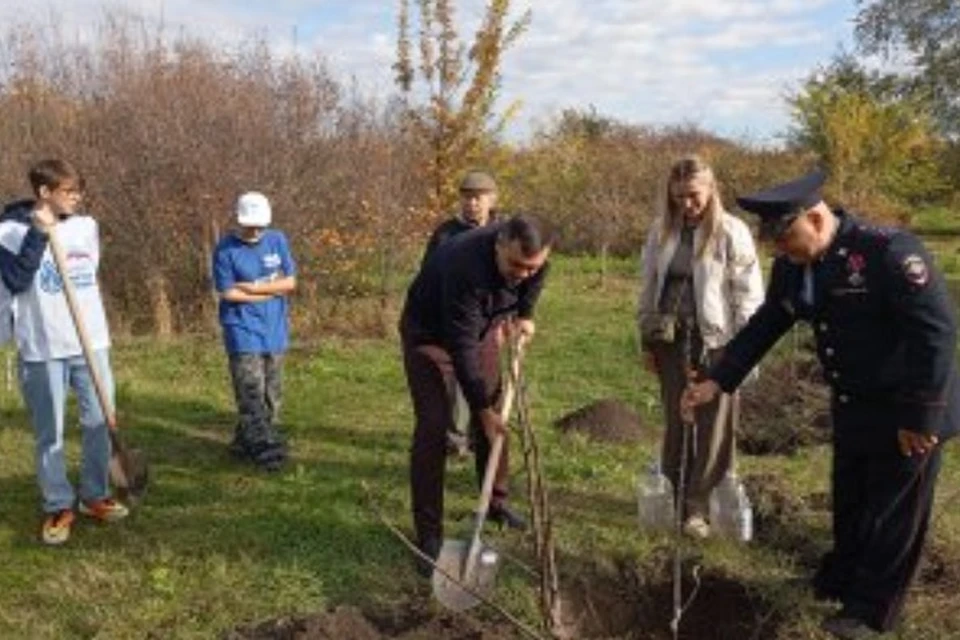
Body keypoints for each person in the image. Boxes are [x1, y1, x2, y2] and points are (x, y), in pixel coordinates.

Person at [681, 168, 959, 638]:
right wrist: (717, 380)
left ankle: (870, 611)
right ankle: (839, 582)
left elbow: (936, 335)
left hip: (907, 407)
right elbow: (769, 322)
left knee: (892, 510)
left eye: (785, 237)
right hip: (853, 400)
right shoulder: (795, 264)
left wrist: (921, 417)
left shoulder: (888, 253)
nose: (780, 250)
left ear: (815, 219)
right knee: (850, 497)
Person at [400, 213, 553, 573]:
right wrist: (480, 409)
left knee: (495, 419)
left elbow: (535, 278)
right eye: (515, 265)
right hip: (429, 335)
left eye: (531, 267)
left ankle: (495, 503)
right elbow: (461, 346)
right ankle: (429, 534)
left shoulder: (534, 260)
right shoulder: (464, 265)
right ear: (499, 244)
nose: (523, 274)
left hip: (480, 330)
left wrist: (525, 313)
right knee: (434, 425)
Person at [0, 159, 129, 545]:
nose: (77, 197)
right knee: (49, 431)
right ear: (44, 192)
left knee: (100, 422)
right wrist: (39, 234)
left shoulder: (87, 227)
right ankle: (58, 503)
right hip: (42, 347)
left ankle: (94, 494)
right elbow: (16, 280)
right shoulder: (8, 231)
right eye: (69, 191)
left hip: (91, 342)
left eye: (79, 190)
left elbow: (88, 275)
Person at [638, 155, 764, 539]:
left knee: (714, 425)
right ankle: (673, 498)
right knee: (677, 419)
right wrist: (646, 340)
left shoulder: (731, 231)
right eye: (678, 196)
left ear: (711, 190)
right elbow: (648, 286)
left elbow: (748, 294)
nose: (687, 204)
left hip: (718, 340)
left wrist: (743, 351)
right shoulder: (661, 230)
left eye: (694, 195)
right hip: (670, 340)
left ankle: (699, 508)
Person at [213, 192, 296, 472]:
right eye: (251, 225)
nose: (256, 231)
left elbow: (289, 282)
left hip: (274, 329)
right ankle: (263, 446)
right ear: (240, 221)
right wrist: (268, 292)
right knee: (250, 390)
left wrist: (254, 288)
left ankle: (245, 440)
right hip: (242, 329)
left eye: (260, 225)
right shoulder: (226, 249)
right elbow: (228, 292)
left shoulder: (277, 240)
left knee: (272, 392)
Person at [422, 170, 500, 457]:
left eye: (478, 198)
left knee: (485, 379)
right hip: (451, 318)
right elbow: (428, 274)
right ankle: (456, 438)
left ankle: (484, 435)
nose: (472, 203)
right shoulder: (445, 233)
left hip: (488, 319)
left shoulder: (503, 233)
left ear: (492, 199)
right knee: (455, 379)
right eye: (467, 197)